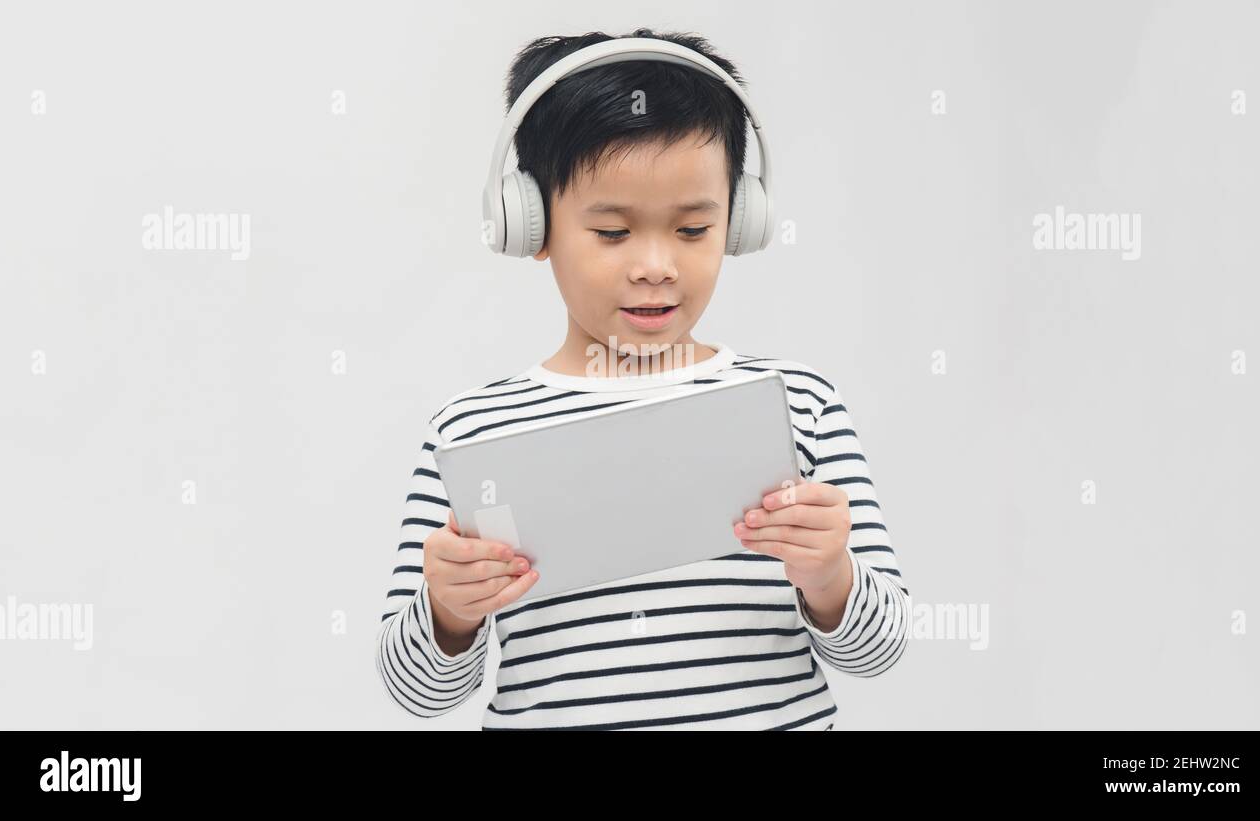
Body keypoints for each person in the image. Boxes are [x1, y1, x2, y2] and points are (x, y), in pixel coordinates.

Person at [375, 28, 909, 730]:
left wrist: (830, 575)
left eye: (692, 230)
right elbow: (419, 693)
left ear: (739, 223)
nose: (656, 264)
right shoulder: (472, 434)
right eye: (613, 233)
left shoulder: (799, 407)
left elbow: (881, 650)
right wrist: (448, 610)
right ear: (529, 223)